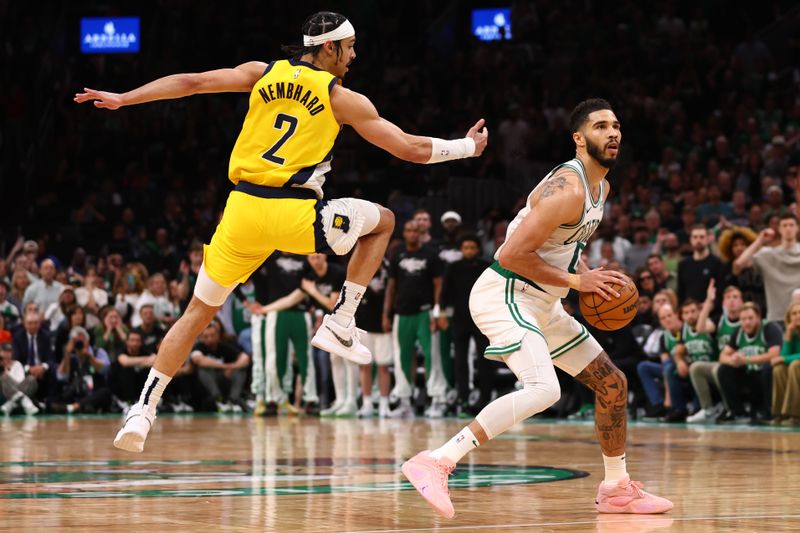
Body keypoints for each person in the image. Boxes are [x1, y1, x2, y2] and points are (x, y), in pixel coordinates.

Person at [77, 10, 487, 452]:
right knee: (384, 222)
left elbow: (190, 83)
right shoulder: (341, 97)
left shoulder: (261, 73)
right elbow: (408, 147)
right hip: (294, 213)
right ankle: (342, 321)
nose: (353, 57)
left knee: (196, 314)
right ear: (329, 47)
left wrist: (123, 98)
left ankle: (142, 410)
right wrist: (466, 147)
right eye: (349, 48)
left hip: (241, 212)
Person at [402, 99, 672, 517]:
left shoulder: (602, 189)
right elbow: (510, 254)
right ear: (579, 139)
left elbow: (564, 248)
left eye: (616, 126)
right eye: (601, 126)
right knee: (544, 389)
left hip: (543, 302)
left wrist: (585, 274)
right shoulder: (567, 189)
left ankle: (616, 488)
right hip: (505, 292)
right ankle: (437, 460)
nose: (613, 133)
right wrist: (578, 282)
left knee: (613, 384)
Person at [383, 220, 445, 418]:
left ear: (421, 233)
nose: (412, 234)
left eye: (416, 231)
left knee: (431, 356)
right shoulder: (396, 254)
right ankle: (404, 401)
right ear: (403, 233)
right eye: (408, 230)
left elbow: (438, 285)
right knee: (402, 358)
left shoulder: (431, 255)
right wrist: (386, 314)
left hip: (425, 313)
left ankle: (437, 399)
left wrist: (437, 313)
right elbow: (391, 286)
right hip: (402, 314)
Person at [440, 235, 492, 414]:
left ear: (478, 249)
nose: (469, 250)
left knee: (485, 359)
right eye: (466, 247)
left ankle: (486, 397)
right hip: (460, 319)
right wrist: (442, 314)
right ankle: (463, 398)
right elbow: (444, 293)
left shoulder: (486, 267)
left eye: (472, 247)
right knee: (460, 361)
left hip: (482, 319)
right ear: (461, 249)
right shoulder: (453, 267)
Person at [716, 302, 782, 423]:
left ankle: (769, 411)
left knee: (769, 367)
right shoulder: (738, 332)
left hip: (766, 376)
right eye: (743, 319)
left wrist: (746, 360)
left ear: (758, 317)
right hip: (749, 375)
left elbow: (774, 354)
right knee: (724, 369)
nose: (747, 322)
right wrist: (733, 360)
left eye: (750, 318)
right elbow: (722, 356)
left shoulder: (769, 328)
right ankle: (737, 412)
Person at [687, 282, 742, 423]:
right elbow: (700, 328)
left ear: (742, 301)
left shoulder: (746, 319)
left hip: (742, 363)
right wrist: (709, 301)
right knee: (696, 367)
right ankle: (708, 409)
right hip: (722, 363)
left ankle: (731, 408)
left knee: (720, 369)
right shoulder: (720, 320)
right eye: (728, 297)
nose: (732, 300)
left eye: (735, 297)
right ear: (724, 302)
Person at [733, 214, 800, 325]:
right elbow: (738, 266)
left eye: (791, 225)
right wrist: (759, 240)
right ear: (779, 229)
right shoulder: (767, 255)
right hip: (776, 318)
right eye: (785, 225)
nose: (788, 228)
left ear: (797, 227)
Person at [355, 257, 393, 418]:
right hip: (363, 323)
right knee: (365, 366)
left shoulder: (388, 268)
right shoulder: (359, 267)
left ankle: (384, 404)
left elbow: (392, 292)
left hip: (383, 325)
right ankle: (367, 403)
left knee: (383, 366)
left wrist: (387, 316)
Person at [189, 323, 250, 412]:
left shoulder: (224, 346)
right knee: (203, 369)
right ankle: (217, 399)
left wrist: (233, 367)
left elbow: (245, 358)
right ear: (201, 337)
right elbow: (199, 360)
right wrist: (224, 366)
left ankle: (233, 399)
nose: (210, 339)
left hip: (223, 380)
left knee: (240, 370)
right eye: (206, 337)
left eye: (212, 335)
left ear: (218, 335)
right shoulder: (198, 347)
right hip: (205, 387)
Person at [11, 311, 55, 403]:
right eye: (30, 323)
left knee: (53, 370)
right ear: (24, 324)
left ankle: (48, 402)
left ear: (39, 324)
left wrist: (43, 367)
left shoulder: (45, 336)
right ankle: (25, 402)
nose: (33, 326)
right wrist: (29, 369)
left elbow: (50, 358)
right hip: (25, 371)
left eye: (35, 323)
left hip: (42, 371)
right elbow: (16, 360)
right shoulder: (18, 337)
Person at [770, 302, 800, 424]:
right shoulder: (793, 334)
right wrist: (788, 336)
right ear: (789, 318)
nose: (798, 315)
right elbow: (783, 357)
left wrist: (785, 359)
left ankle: (795, 414)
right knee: (779, 368)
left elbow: (784, 358)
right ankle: (780, 413)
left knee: (795, 365)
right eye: (794, 313)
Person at [677, 225, 723, 305]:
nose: (698, 240)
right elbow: (681, 292)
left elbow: (720, 291)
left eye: (702, 237)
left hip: (712, 312)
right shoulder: (683, 265)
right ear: (690, 240)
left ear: (707, 239)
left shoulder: (716, 263)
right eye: (695, 237)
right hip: (689, 312)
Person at [0, 342, 39, 416]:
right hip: (3, 395)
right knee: (4, 377)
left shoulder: (17, 364)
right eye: (4, 351)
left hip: (15, 391)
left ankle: (11, 404)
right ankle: (26, 403)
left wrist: (8, 376)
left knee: (31, 379)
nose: (7, 354)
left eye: (9, 352)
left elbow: (20, 382)